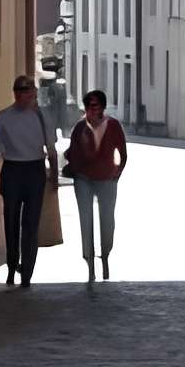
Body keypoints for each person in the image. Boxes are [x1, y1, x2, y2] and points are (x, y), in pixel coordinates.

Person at [0, 73, 58, 286]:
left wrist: (54, 176)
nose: (23, 95)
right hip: (12, 170)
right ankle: (11, 264)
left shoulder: (41, 117)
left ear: (33, 93)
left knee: (31, 224)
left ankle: (27, 271)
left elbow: (51, 148)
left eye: (27, 91)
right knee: (11, 220)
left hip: (34, 170)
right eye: (19, 91)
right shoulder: (4, 117)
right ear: (14, 94)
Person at [65, 87, 127, 282]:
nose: (91, 109)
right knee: (86, 220)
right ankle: (90, 261)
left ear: (102, 107)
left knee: (107, 220)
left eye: (95, 105)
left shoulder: (113, 126)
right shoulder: (80, 128)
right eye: (88, 106)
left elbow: (123, 153)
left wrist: (117, 173)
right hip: (83, 178)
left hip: (107, 178)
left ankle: (105, 255)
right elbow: (72, 152)